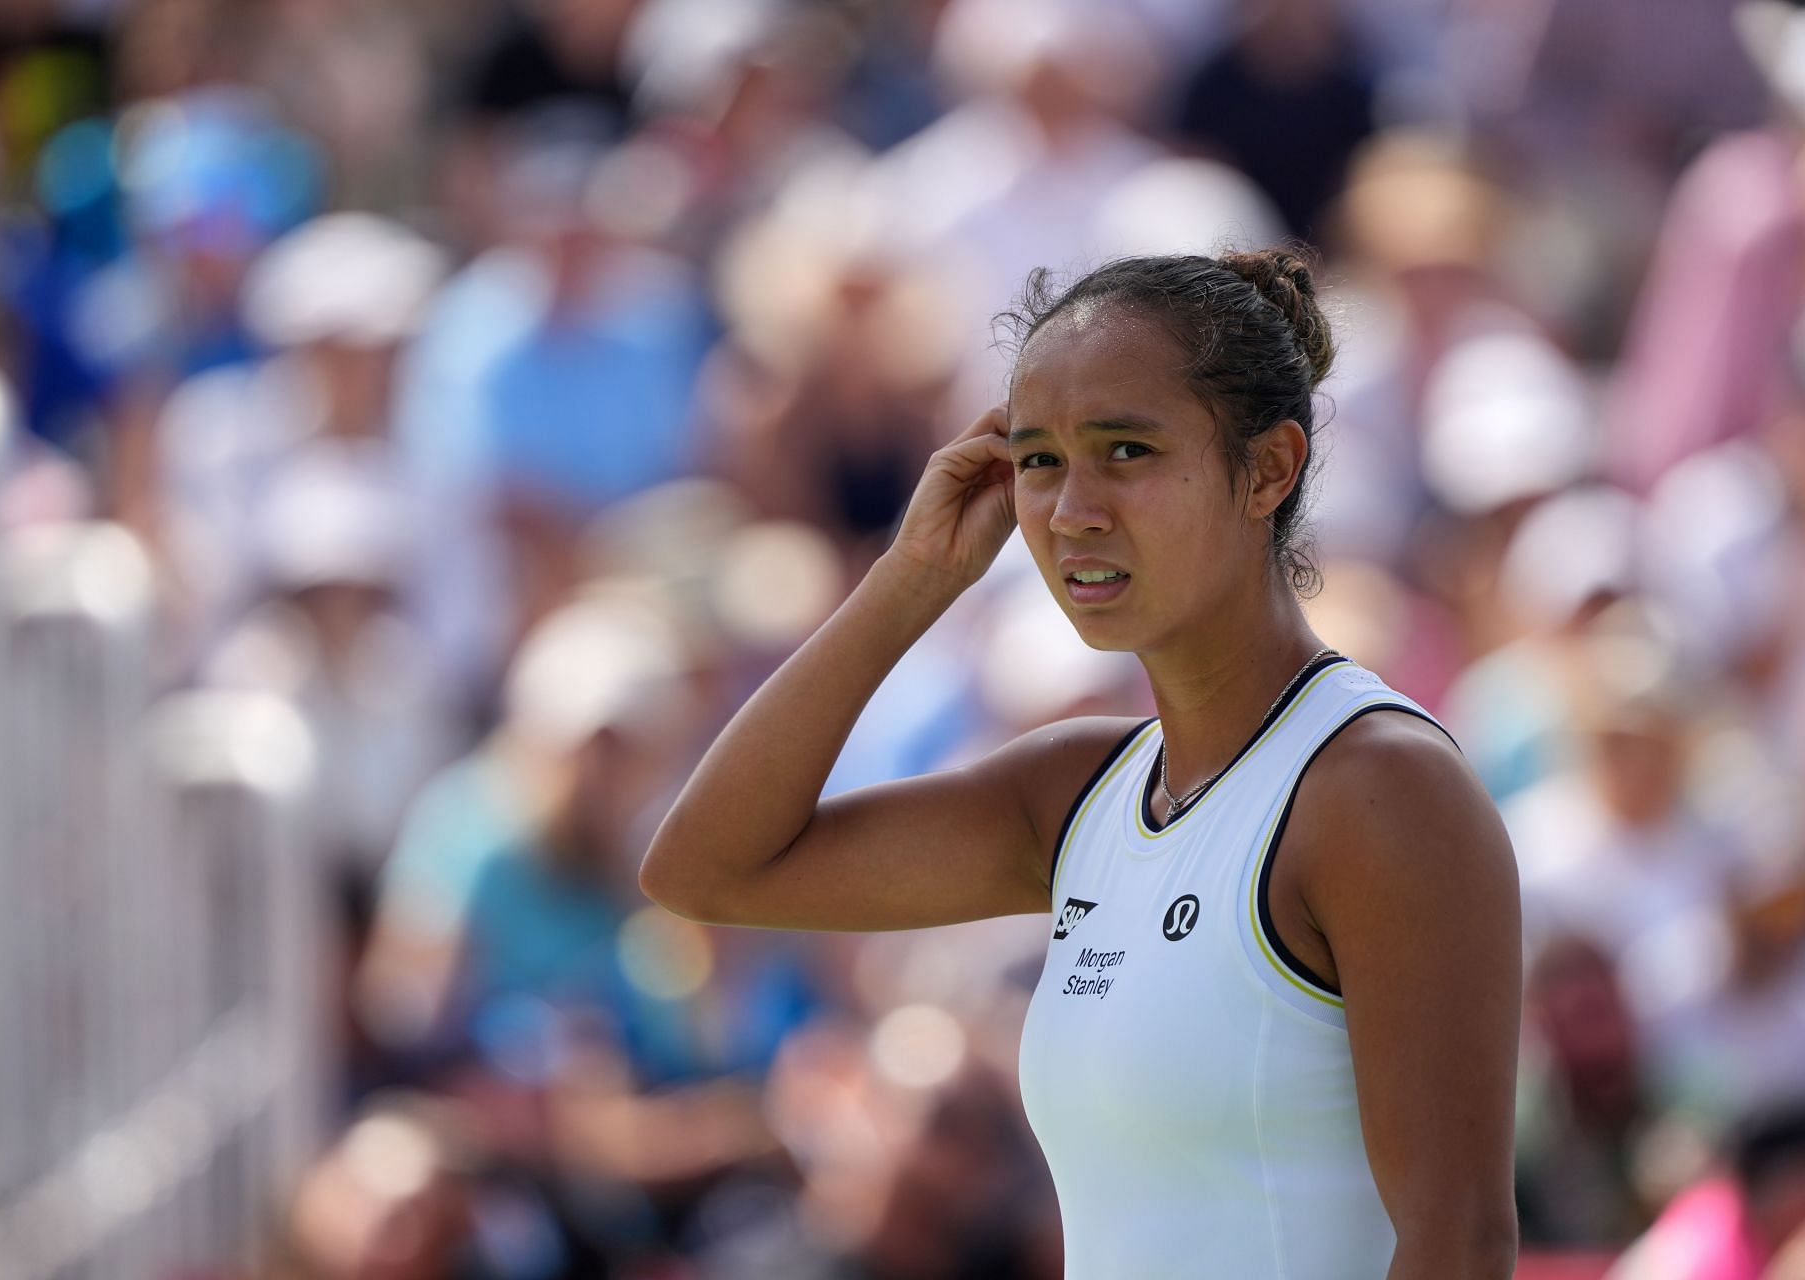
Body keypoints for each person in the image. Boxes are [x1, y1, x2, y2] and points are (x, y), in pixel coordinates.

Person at [639, 247, 1522, 1278]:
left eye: (1127, 450)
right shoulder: (1074, 793)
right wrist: (910, 582)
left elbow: (1459, 1242)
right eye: (1040, 458)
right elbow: (703, 870)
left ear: (1271, 468)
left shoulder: (1381, 788)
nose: (1071, 510)